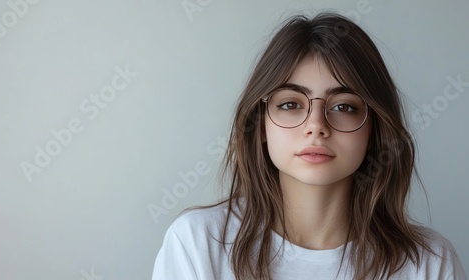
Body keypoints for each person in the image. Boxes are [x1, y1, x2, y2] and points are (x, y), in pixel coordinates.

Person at [151, 12, 467, 280]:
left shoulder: (428, 263)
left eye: (344, 107)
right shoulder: (197, 243)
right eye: (290, 104)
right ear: (260, 124)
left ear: (374, 130)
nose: (316, 126)